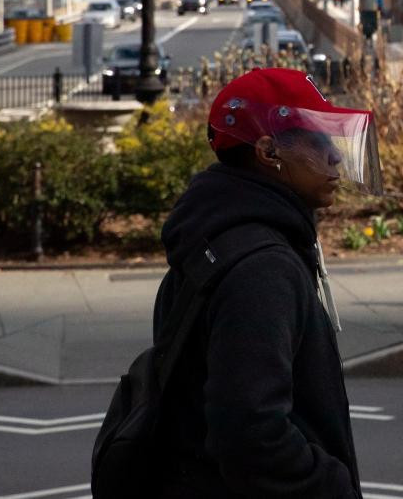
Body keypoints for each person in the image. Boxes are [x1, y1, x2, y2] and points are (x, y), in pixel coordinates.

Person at [151, 68, 379, 497]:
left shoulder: (215, 237)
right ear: (269, 151)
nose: (335, 156)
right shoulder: (262, 269)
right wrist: (332, 487)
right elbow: (249, 432)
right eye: (319, 139)